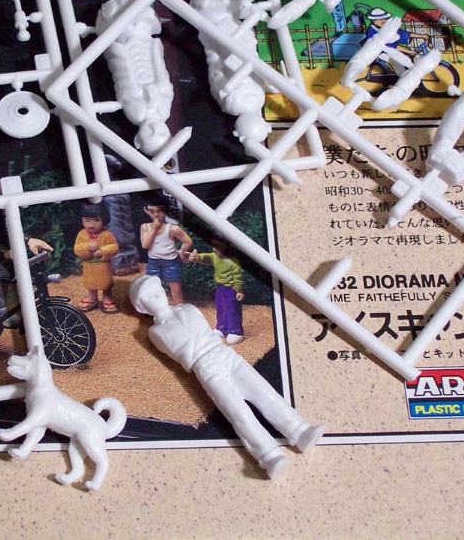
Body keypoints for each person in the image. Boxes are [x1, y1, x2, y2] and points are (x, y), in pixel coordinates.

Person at [129, 275, 324, 479]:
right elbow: (179, 347)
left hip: (224, 354)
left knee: (264, 392)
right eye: (149, 296)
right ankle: (269, 455)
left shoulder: (187, 309)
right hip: (205, 366)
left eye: (157, 290)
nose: (156, 296)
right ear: (142, 307)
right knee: (239, 413)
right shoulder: (157, 332)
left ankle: (299, 431)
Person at [187, 235, 245, 345]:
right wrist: (197, 257)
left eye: (218, 247)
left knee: (232, 309)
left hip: (231, 289)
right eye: (214, 246)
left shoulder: (234, 261)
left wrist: (239, 291)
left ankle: (235, 331)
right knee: (220, 307)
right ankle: (221, 328)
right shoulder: (215, 257)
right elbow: (207, 257)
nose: (214, 249)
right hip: (220, 287)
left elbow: (238, 277)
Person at [139, 196, 193, 305]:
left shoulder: (173, 229)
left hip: (171, 261)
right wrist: (154, 229)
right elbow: (145, 245)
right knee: (153, 287)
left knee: (175, 288)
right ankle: (156, 308)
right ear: (147, 211)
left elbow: (188, 241)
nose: (156, 215)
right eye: (152, 211)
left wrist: (182, 254)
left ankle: (178, 308)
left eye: (159, 211)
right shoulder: (145, 227)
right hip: (153, 262)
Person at [73, 202, 120, 313]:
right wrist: (87, 248)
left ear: (103, 220)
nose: (91, 225)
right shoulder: (82, 234)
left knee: (106, 282)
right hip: (89, 265)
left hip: (103, 265)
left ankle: (107, 296)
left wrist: (102, 251)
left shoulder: (107, 234)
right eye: (87, 221)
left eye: (96, 220)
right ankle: (92, 296)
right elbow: (77, 248)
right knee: (90, 281)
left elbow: (114, 247)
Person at [365, 8, 430, 58]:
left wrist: (421, 36)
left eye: (384, 18)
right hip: (380, 54)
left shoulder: (385, 28)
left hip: (392, 51)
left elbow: (400, 34)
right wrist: (408, 51)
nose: (383, 21)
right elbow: (389, 46)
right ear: (373, 20)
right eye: (379, 19)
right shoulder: (372, 33)